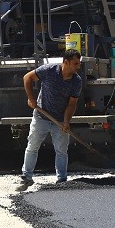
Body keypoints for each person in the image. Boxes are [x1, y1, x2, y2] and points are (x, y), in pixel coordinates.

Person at [18, 49, 83, 189]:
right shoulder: (49, 70)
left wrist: (66, 121)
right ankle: (26, 177)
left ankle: (62, 180)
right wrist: (31, 98)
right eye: (75, 63)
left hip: (59, 121)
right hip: (41, 116)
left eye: (79, 63)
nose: (78, 67)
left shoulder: (76, 81)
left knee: (61, 150)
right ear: (66, 62)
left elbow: (72, 104)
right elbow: (27, 78)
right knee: (33, 146)